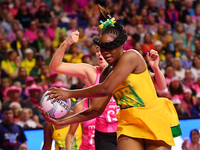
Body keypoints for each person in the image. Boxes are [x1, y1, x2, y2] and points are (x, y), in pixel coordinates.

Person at [40, 6, 182, 150]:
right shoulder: (105, 73)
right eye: (102, 47)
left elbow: (105, 89)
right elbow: (95, 111)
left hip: (152, 116)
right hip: (129, 122)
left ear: (121, 44)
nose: (105, 52)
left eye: (111, 46)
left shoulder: (131, 56)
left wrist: (69, 93)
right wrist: (61, 122)